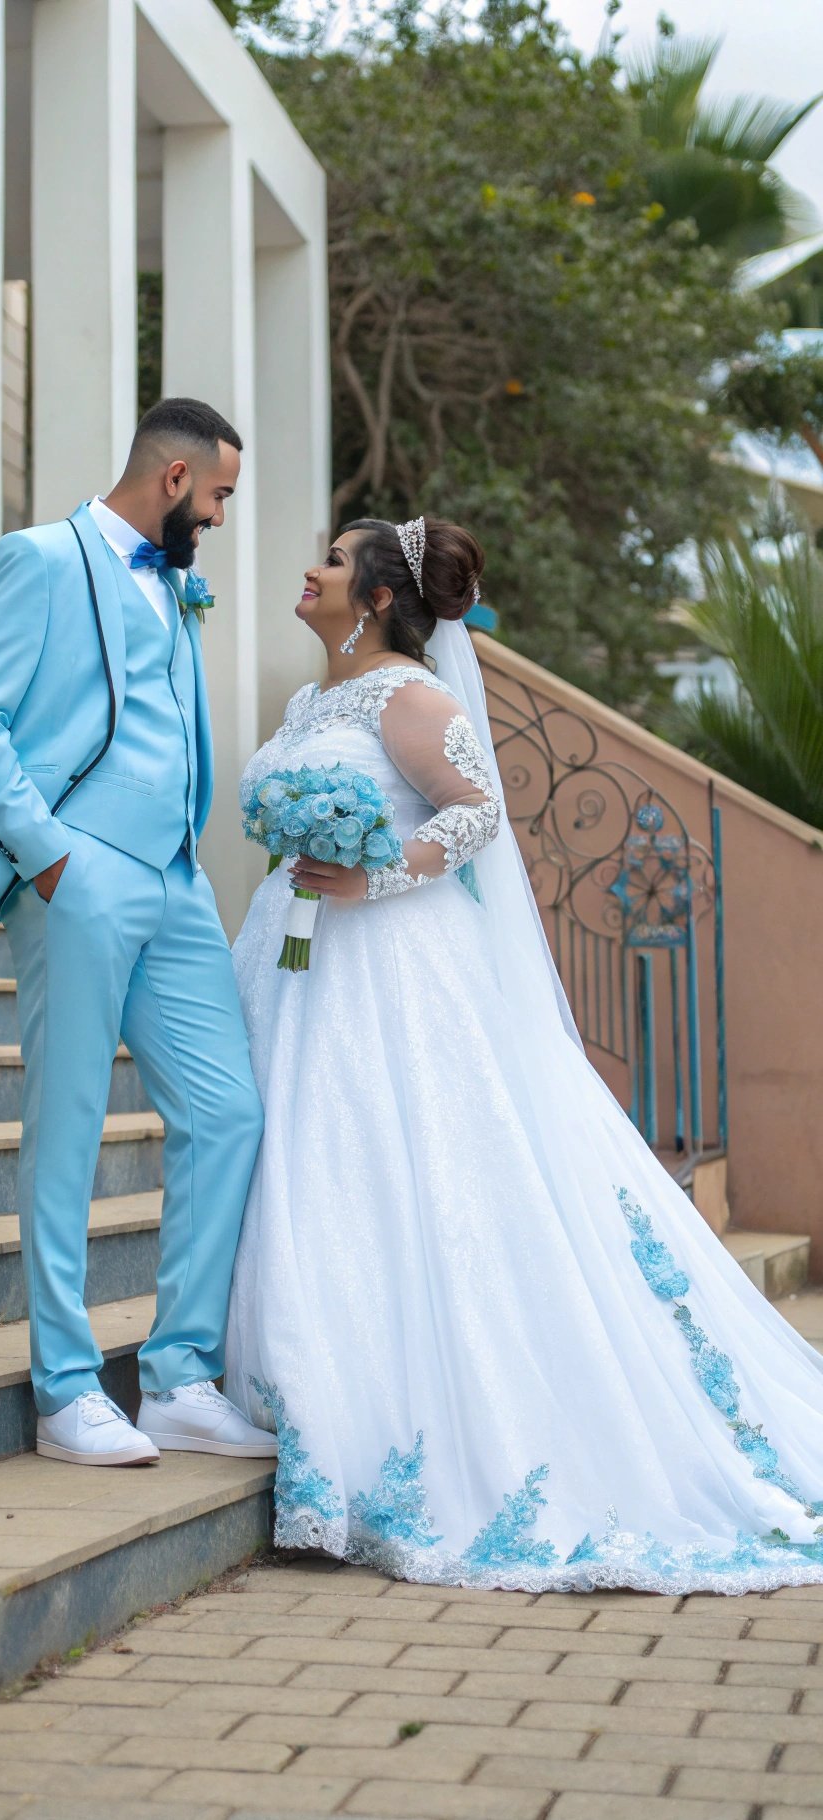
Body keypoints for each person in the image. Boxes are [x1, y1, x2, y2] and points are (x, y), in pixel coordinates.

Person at [224, 513, 823, 1592]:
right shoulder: (310, 701)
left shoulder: (412, 697)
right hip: (296, 950)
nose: (306, 569)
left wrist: (373, 872)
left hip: (386, 962)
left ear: (368, 598)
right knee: (292, 1153)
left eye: (329, 556)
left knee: (372, 1154)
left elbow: (476, 816)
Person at [0, 397, 274, 1468]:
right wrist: (46, 853)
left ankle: (178, 1374)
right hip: (76, 869)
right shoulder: (39, 560)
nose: (218, 517)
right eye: (216, 495)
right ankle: (66, 1387)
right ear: (175, 479)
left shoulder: (175, 584)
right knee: (69, 1123)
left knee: (228, 1111)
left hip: (174, 880)